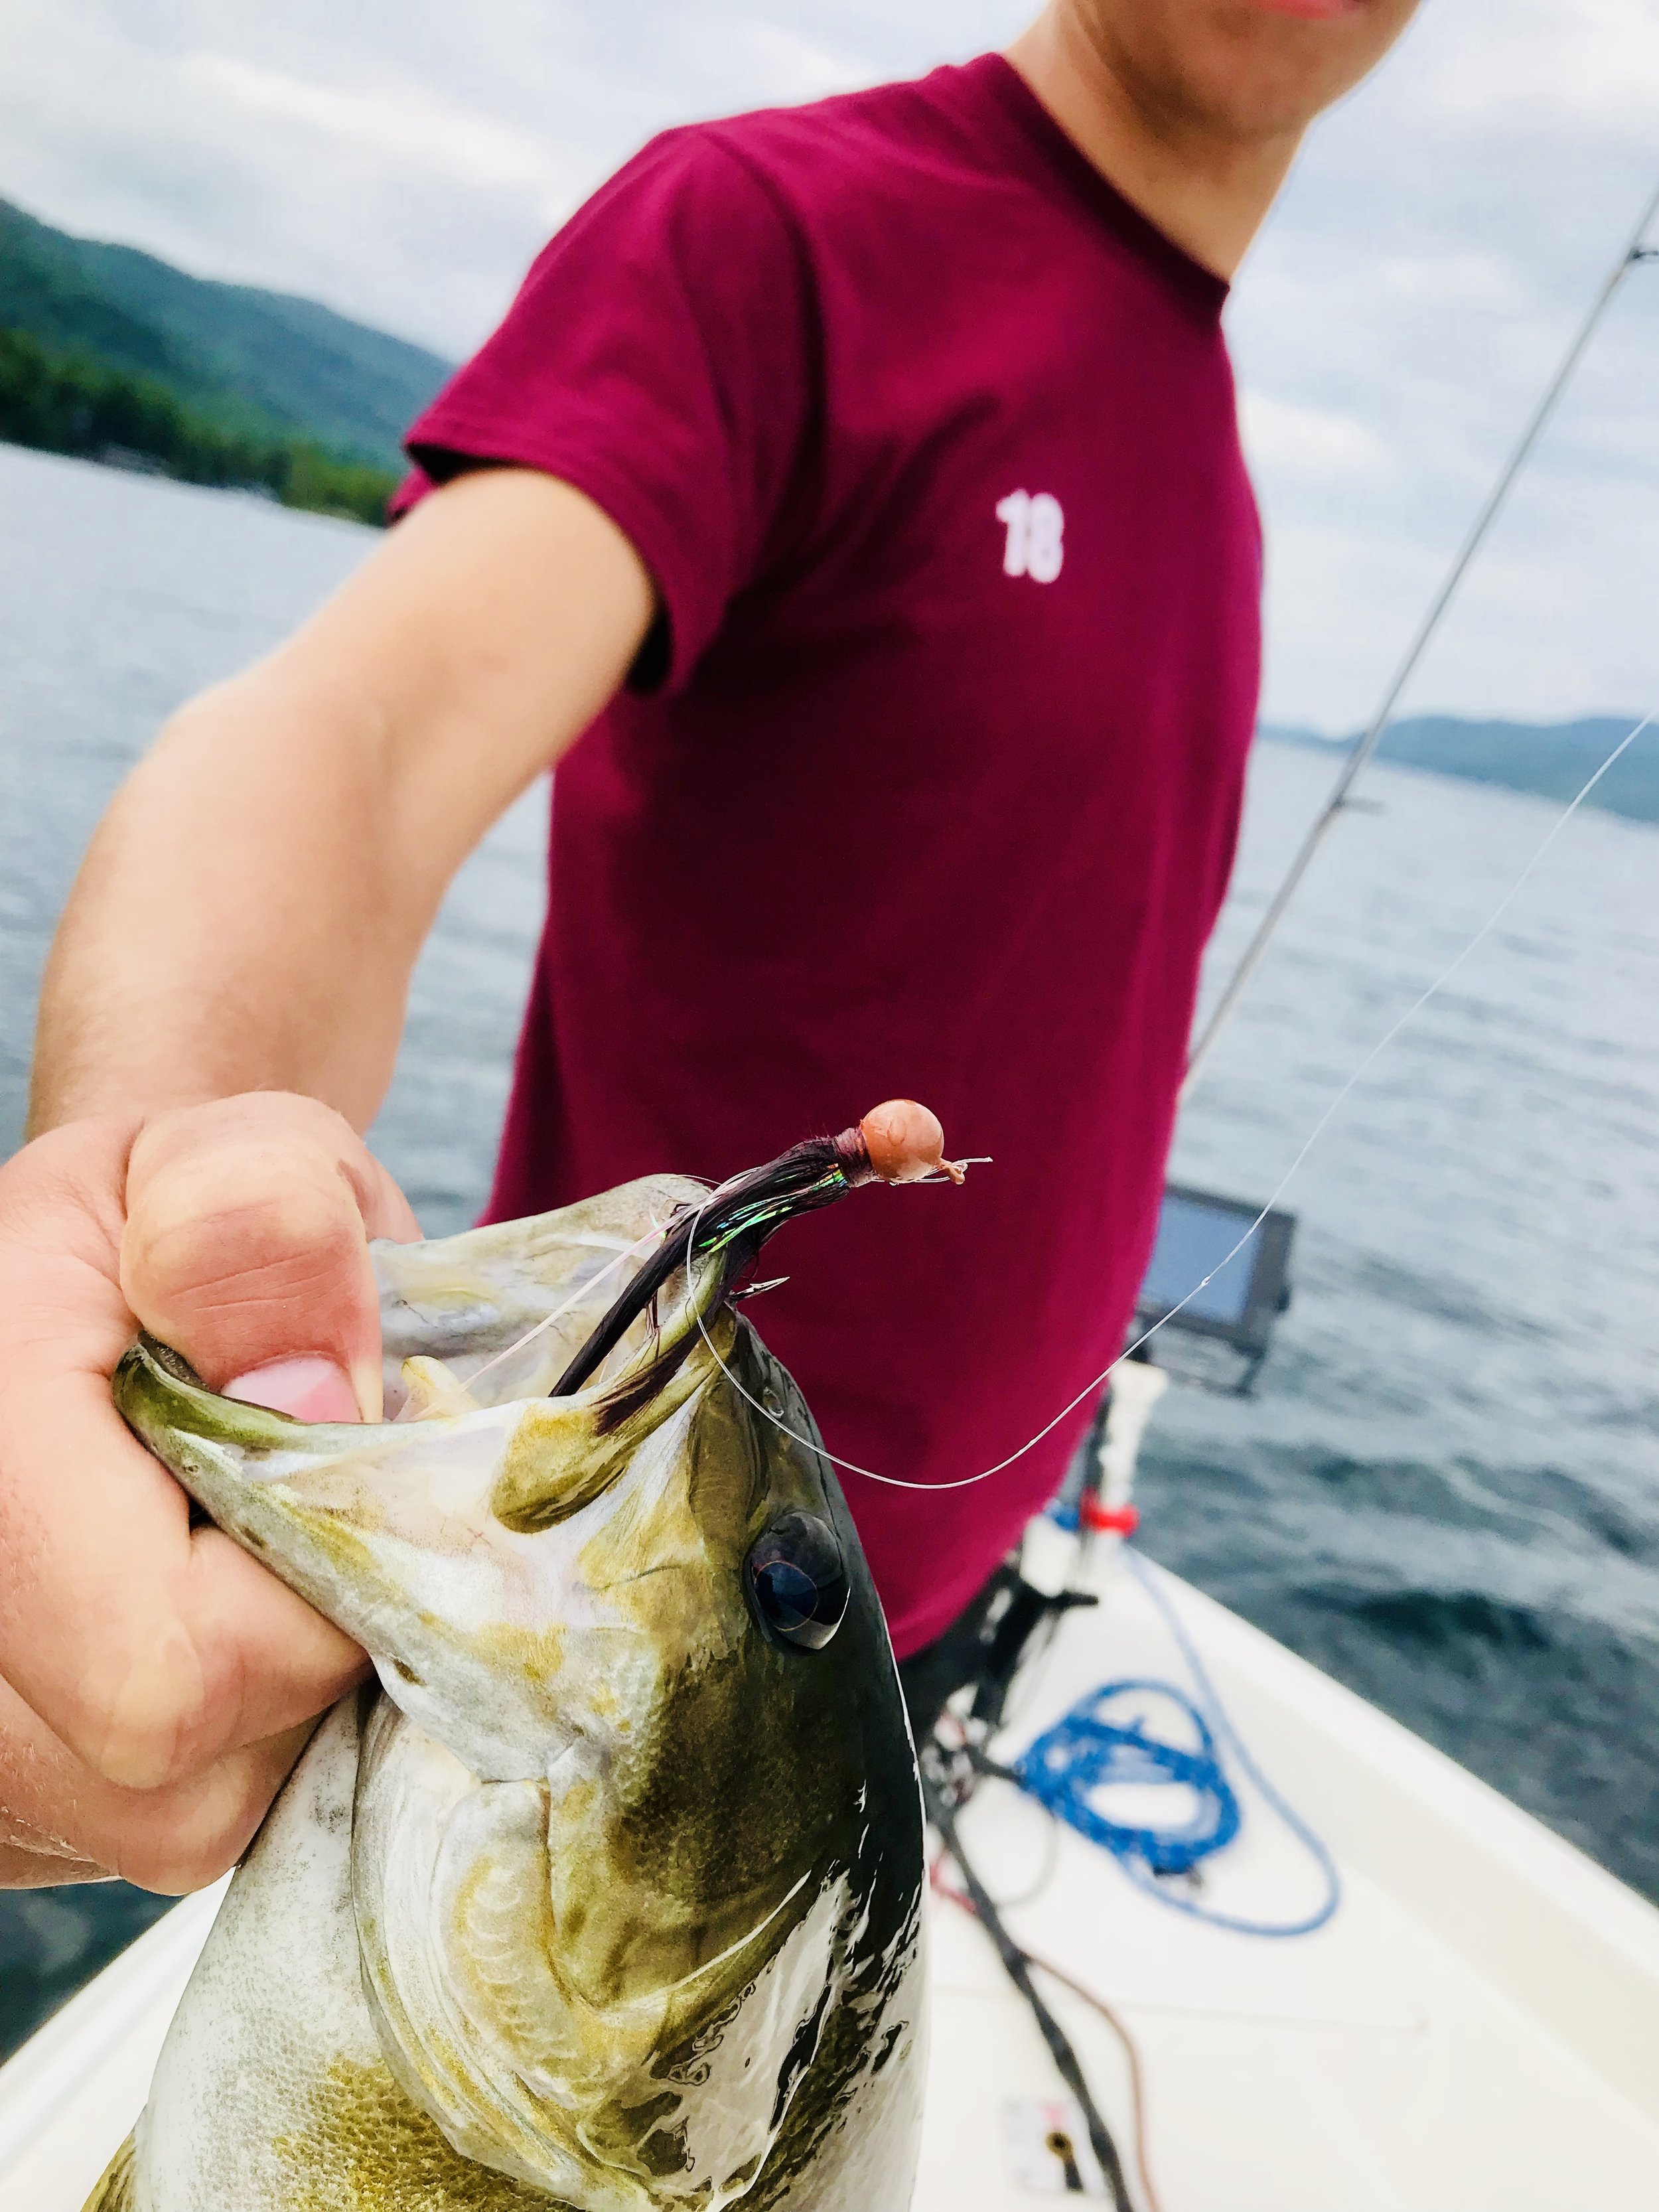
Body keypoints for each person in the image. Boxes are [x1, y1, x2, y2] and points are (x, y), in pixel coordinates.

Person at [0, 0, 1419, 1891]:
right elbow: (351, 739)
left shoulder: (1202, 426)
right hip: (620, 1677)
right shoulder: (768, 237)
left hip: (903, 1643)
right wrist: (150, 1192)